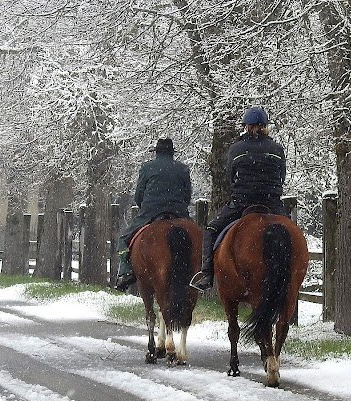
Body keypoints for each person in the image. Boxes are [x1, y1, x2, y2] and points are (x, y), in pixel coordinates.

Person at [190, 106, 287, 291]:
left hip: (242, 202)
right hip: (272, 203)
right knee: (292, 235)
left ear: (246, 127)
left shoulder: (236, 149)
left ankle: (207, 275)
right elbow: (282, 176)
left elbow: (230, 178)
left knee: (211, 229)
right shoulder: (277, 149)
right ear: (265, 127)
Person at [114, 138, 192, 291]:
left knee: (123, 239)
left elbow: (139, 195)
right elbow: (187, 196)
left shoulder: (147, 168)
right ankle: (202, 270)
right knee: (199, 238)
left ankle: (126, 272)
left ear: (156, 152)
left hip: (150, 212)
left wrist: (145, 206)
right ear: (172, 152)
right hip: (178, 212)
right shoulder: (182, 169)